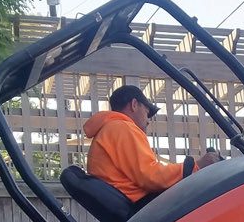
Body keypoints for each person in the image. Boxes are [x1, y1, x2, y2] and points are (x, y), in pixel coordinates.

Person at [83, 84, 221, 209]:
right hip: (143, 207)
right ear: (134, 104)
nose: (148, 121)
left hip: (134, 204)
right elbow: (150, 176)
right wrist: (196, 166)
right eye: (147, 113)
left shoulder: (109, 130)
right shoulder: (122, 128)